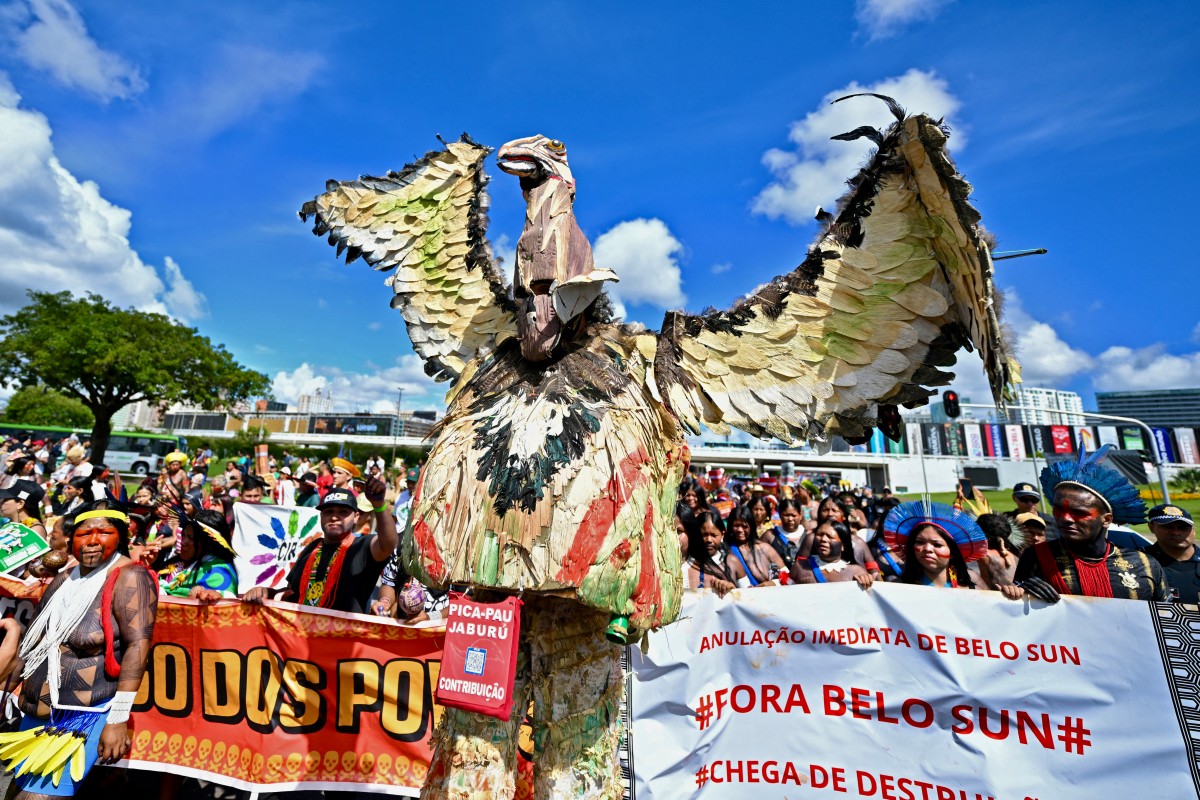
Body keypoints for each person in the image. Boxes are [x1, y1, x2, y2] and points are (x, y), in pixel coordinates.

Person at [5, 506, 157, 796]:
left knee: (36, 797)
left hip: (82, 716)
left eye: (104, 533)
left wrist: (117, 719)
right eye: (84, 533)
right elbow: (33, 643)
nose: (92, 540)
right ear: (71, 540)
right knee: (15, 793)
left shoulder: (131, 577)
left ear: (120, 537)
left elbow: (138, 647)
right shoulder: (65, 579)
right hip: (37, 711)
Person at [1002, 446, 1171, 604]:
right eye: (1059, 510)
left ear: (1106, 519)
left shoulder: (1144, 563)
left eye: (1079, 512)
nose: (1065, 518)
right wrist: (1019, 592)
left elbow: (1166, 619)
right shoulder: (1036, 557)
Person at [240, 476, 398, 613]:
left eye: (343, 512)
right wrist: (267, 592)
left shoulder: (362, 546)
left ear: (356, 517)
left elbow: (388, 543)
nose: (334, 517)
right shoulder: (312, 547)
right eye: (328, 512)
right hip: (302, 639)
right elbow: (291, 592)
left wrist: (379, 505)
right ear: (321, 516)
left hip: (343, 642)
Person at [884, 501, 988, 589]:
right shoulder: (899, 587)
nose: (928, 549)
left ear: (953, 552)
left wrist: (1003, 597)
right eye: (920, 542)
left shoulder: (972, 582)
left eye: (937, 544)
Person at [158, 509, 239, 601]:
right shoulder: (179, 562)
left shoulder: (220, 573)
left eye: (191, 538)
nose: (183, 542)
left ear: (209, 543)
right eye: (183, 535)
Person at [792, 520, 874, 587]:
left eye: (830, 536)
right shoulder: (800, 566)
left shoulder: (857, 572)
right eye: (819, 535)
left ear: (843, 546)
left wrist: (866, 580)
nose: (823, 539)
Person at [1144, 504, 1200, 603]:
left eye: (1183, 528)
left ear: (1193, 531)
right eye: (1168, 526)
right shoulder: (1139, 562)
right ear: (1152, 527)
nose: (1176, 532)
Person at [725, 506, 787, 588]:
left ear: (751, 526)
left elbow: (787, 576)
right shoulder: (725, 550)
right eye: (736, 526)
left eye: (744, 526)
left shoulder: (765, 548)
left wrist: (773, 583)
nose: (740, 530)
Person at [684, 508, 735, 595]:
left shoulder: (732, 562)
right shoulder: (686, 564)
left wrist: (731, 589)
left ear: (722, 534)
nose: (709, 540)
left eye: (713, 535)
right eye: (704, 535)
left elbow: (747, 596)